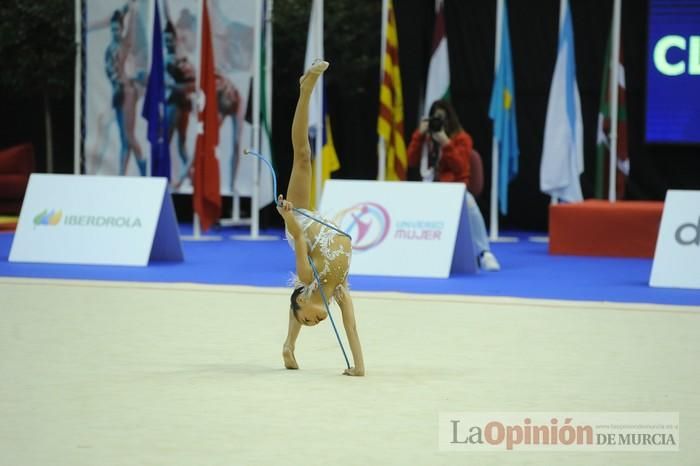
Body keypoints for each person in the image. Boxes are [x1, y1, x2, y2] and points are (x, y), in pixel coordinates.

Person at [277, 60, 365, 377]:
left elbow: (299, 237)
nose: (316, 322)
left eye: (307, 319)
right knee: (305, 156)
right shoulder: (340, 290)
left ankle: (306, 88)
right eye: (315, 323)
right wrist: (359, 367)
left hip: (299, 221)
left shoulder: (305, 276)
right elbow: (351, 327)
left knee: (303, 154)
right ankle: (289, 346)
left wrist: (287, 215)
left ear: (301, 301)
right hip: (318, 222)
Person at [407, 99, 501, 271]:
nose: (439, 123)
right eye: (435, 119)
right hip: (428, 187)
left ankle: (484, 253)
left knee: (470, 203)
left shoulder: (462, 138)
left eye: (442, 119)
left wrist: (446, 144)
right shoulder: (426, 138)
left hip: (454, 190)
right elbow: (411, 161)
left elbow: (461, 167)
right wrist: (419, 136)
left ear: (450, 119)